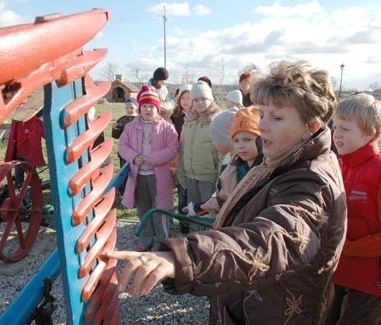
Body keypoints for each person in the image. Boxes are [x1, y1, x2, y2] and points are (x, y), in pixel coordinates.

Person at [101, 61, 347, 324]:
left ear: (311, 125)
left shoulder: (311, 182)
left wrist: (185, 258)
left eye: (276, 117)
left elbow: (272, 240)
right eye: (262, 114)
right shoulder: (280, 158)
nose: (262, 126)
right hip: (251, 301)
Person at [326, 93, 381, 324]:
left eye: (345, 129)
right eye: (335, 127)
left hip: (370, 280)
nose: (336, 135)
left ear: (369, 133)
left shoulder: (378, 172)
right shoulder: (336, 165)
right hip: (337, 271)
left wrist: (344, 248)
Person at [118, 85, 178, 251]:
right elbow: (122, 146)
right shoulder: (130, 127)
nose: (148, 109)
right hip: (138, 175)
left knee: (160, 208)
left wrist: (152, 159)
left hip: (159, 175)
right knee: (143, 208)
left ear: (158, 108)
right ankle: (146, 238)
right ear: (139, 108)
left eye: (152, 106)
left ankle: (162, 239)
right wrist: (134, 157)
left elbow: (172, 148)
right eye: (145, 106)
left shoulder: (167, 128)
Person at [188, 106, 263, 217]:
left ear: (261, 140)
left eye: (247, 139)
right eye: (236, 141)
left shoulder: (265, 170)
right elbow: (225, 197)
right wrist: (199, 207)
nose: (241, 146)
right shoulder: (234, 168)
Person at [176, 80, 222, 232]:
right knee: (193, 214)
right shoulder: (189, 122)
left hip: (209, 178)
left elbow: (222, 153)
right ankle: (193, 245)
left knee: (208, 217)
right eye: (196, 99)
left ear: (211, 99)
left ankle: (207, 248)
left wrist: (221, 182)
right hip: (191, 177)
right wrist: (182, 175)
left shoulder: (217, 121)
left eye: (203, 99)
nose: (200, 102)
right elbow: (183, 149)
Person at [5, 88, 45, 188]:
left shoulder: (35, 121)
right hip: (18, 154)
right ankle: (20, 192)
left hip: (29, 155)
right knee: (19, 176)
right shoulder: (16, 122)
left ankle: (33, 192)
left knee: (30, 175)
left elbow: (45, 133)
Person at [170, 84, 192, 228]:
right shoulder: (175, 117)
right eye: (182, 98)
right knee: (182, 191)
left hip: (195, 156)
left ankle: (195, 223)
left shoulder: (199, 116)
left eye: (188, 98)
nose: (185, 101)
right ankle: (183, 224)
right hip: (179, 157)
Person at [111, 98, 138, 194]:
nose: (129, 109)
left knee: (135, 173)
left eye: (131, 107)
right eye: (127, 107)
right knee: (124, 172)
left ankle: (135, 191)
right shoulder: (121, 119)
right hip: (123, 151)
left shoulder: (139, 119)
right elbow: (115, 136)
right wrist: (114, 129)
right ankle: (124, 191)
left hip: (136, 150)